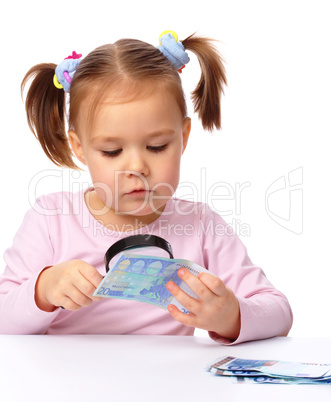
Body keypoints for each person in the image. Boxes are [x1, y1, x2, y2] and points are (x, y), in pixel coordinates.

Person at [0, 31, 293, 344]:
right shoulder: (51, 218)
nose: (137, 167)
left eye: (156, 146)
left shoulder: (200, 225)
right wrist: (43, 290)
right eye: (112, 151)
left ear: (183, 137)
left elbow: (279, 312)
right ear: (79, 147)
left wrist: (230, 316)